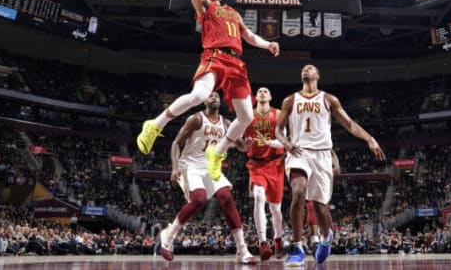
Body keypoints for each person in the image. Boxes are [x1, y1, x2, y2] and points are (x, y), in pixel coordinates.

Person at [135, 0, 279, 156]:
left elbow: (248, 36)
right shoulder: (205, 6)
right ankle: (156, 124)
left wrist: (267, 44)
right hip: (216, 55)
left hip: (237, 65)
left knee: (247, 117)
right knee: (200, 96)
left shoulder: (232, 12)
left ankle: (218, 152)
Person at [274, 64, 386, 266]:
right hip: (299, 152)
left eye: (310, 68)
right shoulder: (290, 100)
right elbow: (278, 130)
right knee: (298, 192)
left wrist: (370, 139)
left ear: (317, 75)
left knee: (320, 208)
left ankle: (326, 237)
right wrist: (287, 144)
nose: (305, 70)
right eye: (303, 69)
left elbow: (350, 124)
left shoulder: (328, 99)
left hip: (323, 155)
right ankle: (297, 247)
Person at [157, 92, 258, 264]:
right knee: (200, 199)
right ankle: (169, 234)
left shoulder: (226, 123)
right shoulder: (196, 119)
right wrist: (174, 168)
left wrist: (245, 145)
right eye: (210, 96)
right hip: (190, 165)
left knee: (226, 197)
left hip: (211, 167)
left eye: (217, 96)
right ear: (204, 100)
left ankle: (242, 250)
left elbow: (239, 145)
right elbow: (176, 143)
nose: (214, 98)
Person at [234, 87, 286, 260]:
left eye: (266, 91)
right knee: (258, 196)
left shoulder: (278, 114)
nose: (262, 92)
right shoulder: (247, 116)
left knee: (276, 209)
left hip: (276, 163)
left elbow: (284, 142)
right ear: (256, 97)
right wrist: (244, 146)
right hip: (256, 164)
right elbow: (238, 141)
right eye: (260, 91)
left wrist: (268, 142)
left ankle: (278, 238)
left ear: (270, 96)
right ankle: (263, 242)